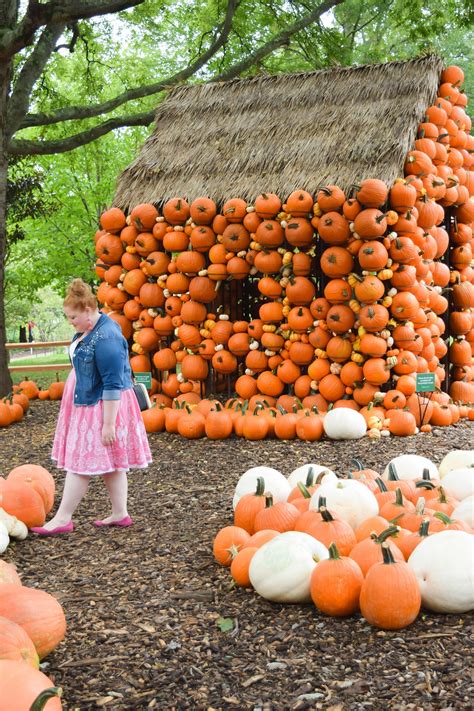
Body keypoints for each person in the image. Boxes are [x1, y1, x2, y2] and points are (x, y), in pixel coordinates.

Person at [31, 279, 152, 536]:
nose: (70, 322)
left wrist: (108, 424)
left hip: (101, 405)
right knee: (113, 462)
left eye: (73, 317)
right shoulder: (90, 327)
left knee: (80, 462)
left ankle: (63, 518)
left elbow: (112, 383)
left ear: (88, 309)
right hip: (88, 400)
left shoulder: (106, 337)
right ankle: (120, 513)